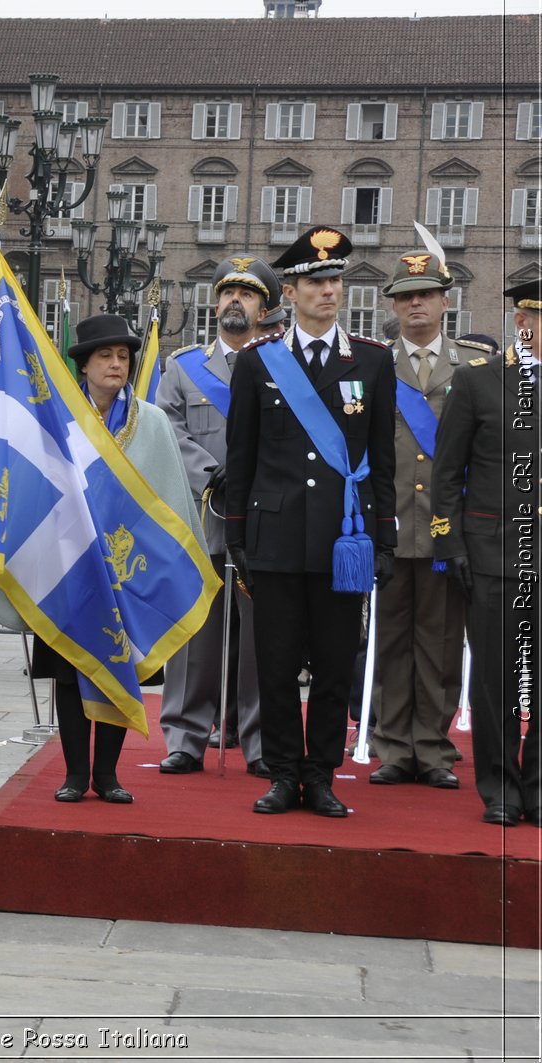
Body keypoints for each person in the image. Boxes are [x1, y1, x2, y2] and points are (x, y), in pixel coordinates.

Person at [224, 226, 397, 818]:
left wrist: (385, 539)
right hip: (273, 537)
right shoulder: (258, 362)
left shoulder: (372, 361)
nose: (330, 291)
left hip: (342, 538)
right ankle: (281, 773)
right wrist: (236, 535)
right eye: (316, 282)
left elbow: (383, 461)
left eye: (335, 281)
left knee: (331, 663)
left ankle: (320, 774)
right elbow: (240, 456)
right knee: (273, 666)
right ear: (289, 294)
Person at [33, 314, 205, 805]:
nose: (116, 365)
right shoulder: (60, 418)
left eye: (123, 357)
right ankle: (73, 774)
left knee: (120, 668)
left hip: (130, 570)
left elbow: (168, 495)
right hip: (73, 566)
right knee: (71, 670)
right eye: (105, 356)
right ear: (83, 364)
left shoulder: (149, 421)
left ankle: (107, 775)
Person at [156, 255, 276, 777]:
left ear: (264, 308)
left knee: (260, 642)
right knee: (195, 640)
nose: (234, 301)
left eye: (247, 294)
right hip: (202, 519)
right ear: (215, 301)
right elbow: (166, 430)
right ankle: (185, 736)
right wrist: (210, 473)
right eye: (227, 291)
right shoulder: (182, 367)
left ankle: (259, 741)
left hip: (261, 522)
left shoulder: (281, 366)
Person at [432, 281, 542, 826]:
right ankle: (500, 788)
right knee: (497, 679)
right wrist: (448, 541)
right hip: (493, 551)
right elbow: (446, 473)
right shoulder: (477, 382)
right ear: (523, 322)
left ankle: (539, 789)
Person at [370, 246, 481, 791]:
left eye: (425, 295)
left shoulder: (475, 367)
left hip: (445, 526)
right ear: (393, 305)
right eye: (405, 296)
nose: (415, 304)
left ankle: (433, 748)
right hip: (391, 523)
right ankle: (393, 746)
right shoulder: (371, 365)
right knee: (389, 639)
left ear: (444, 301)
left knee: (439, 641)